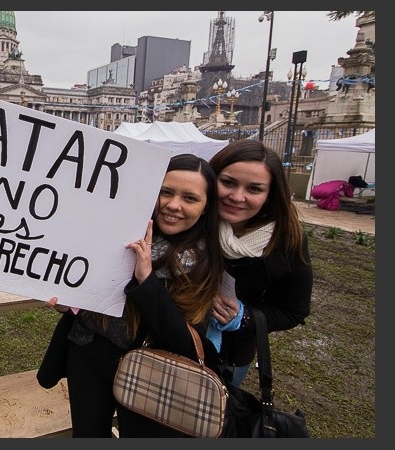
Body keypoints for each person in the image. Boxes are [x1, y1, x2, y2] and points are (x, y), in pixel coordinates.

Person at [38, 154, 224, 437]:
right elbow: (91, 286)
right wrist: (69, 301)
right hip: (87, 352)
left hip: (149, 372)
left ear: (206, 207)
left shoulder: (203, 261)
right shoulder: (120, 230)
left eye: (190, 198)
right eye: (166, 192)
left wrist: (146, 280)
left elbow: (185, 343)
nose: (173, 205)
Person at [208, 140, 313, 388]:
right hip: (166, 341)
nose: (237, 197)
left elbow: (293, 311)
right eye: (228, 182)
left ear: (269, 196)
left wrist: (243, 317)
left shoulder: (285, 240)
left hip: (229, 358)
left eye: (254, 189)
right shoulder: (191, 219)